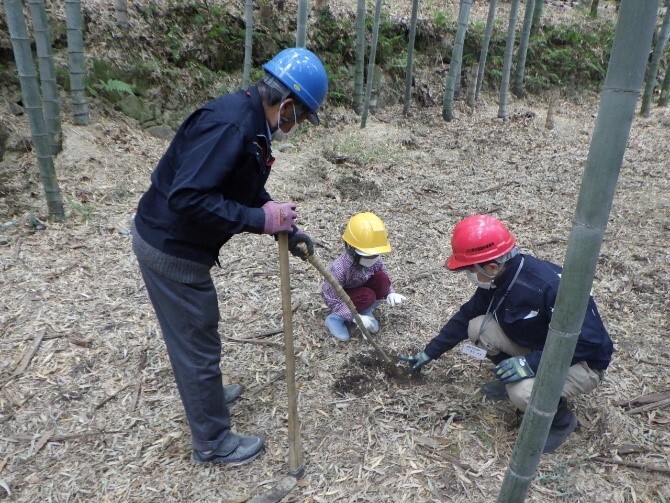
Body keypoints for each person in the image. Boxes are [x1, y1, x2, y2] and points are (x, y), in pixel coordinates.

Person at [130, 47, 328, 466]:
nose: (296, 127)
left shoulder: (254, 124)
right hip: (170, 248)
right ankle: (213, 442)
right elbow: (188, 197)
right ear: (287, 105)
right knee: (196, 342)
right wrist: (259, 219)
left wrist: (284, 226)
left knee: (198, 334)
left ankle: (207, 397)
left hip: (180, 244)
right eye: (300, 119)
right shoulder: (231, 126)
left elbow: (241, 185)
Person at [400, 214, 613, 453]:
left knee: (521, 392)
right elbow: (466, 316)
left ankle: (559, 420)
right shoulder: (501, 277)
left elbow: (589, 342)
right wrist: (430, 352)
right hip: (541, 345)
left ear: (492, 266)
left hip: (582, 363)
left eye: (471, 269)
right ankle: (512, 373)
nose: (469, 276)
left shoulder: (549, 286)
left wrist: (531, 364)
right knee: (477, 327)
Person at [322, 212, 406, 341]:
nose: (373, 258)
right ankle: (335, 319)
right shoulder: (340, 268)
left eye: (376, 254)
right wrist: (355, 316)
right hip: (345, 297)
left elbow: (383, 273)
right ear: (351, 249)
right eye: (368, 255)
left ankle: (366, 311)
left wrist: (390, 293)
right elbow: (331, 298)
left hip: (363, 288)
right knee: (367, 295)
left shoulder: (375, 259)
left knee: (382, 279)